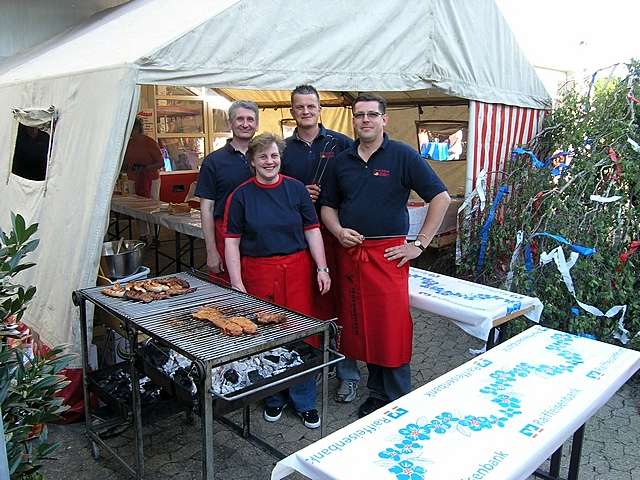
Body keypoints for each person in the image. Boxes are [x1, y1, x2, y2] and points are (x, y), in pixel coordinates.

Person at [320, 93, 451, 418]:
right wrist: (337, 231)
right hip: (350, 255)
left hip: (390, 255)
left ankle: (397, 398)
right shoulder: (341, 161)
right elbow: (327, 206)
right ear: (353, 119)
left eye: (372, 115)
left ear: (384, 120)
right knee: (360, 324)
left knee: (390, 327)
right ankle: (377, 393)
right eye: (360, 115)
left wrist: (418, 244)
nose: (365, 120)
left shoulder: (403, 155)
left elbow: (441, 197)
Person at [224, 133, 331, 429]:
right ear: (252, 162)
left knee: (302, 336)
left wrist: (322, 268)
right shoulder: (241, 195)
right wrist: (236, 284)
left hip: (296, 270)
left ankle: (304, 400)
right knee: (264, 336)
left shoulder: (296, 190)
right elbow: (232, 242)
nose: (269, 162)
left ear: (280, 158)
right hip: (258, 272)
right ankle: (273, 398)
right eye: (262, 157)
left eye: (274, 156)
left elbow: (312, 230)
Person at [280, 85, 359, 403]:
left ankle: (348, 374)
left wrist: (326, 197)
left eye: (311, 106)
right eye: (299, 107)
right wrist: (299, 194)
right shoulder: (283, 149)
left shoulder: (341, 144)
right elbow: (275, 190)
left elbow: (355, 185)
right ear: (292, 111)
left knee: (341, 305)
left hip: (335, 235)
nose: (306, 111)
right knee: (307, 307)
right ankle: (310, 366)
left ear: (319, 108)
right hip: (297, 239)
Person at [195, 101, 258, 284]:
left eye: (250, 119)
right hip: (225, 234)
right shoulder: (213, 161)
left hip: (260, 237)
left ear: (256, 124)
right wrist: (211, 251)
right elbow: (206, 208)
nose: (245, 124)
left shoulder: (266, 157)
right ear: (230, 123)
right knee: (229, 295)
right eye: (240, 119)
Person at [124, 117, 164, 199]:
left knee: (151, 205)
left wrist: (144, 168)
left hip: (150, 180)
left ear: (137, 128)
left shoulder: (150, 143)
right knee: (134, 205)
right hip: (133, 179)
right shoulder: (128, 144)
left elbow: (161, 163)